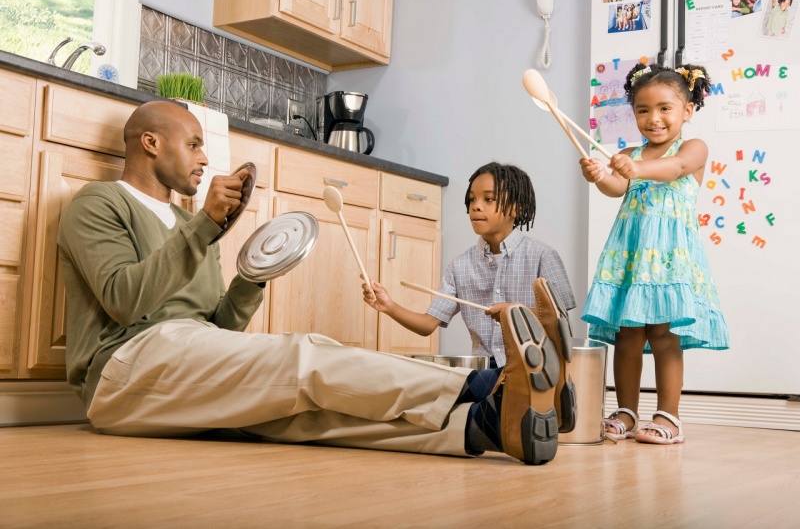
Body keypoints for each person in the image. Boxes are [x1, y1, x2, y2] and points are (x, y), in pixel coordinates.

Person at [56, 100, 572, 466]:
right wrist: (205, 228)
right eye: (193, 144)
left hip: (182, 360)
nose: (205, 158)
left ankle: (483, 427)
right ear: (151, 142)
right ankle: (486, 386)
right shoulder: (99, 203)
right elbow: (124, 303)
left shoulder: (193, 227)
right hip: (122, 373)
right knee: (301, 358)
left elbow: (217, 326)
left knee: (308, 416)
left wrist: (253, 277)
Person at [362, 162, 577, 431]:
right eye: (472, 199)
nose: (476, 206)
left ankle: (496, 413)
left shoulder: (543, 257)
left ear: (517, 209)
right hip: (484, 371)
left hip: (531, 368)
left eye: (488, 199)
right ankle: (503, 418)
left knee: (450, 394)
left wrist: (515, 314)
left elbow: (560, 325)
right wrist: (389, 306)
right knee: (435, 379)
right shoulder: (460, 265)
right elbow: (428, 325)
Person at [579, 63, 729, 445]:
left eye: (665, 108)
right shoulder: (632, 153)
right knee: (627, 335)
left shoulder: (693, 148)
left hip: (668, 258)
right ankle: (626, 410)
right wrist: (599, 175)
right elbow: (617, 186)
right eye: (643, 110)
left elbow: (674, 168)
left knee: (664, 336)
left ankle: (670, 416)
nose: (654, 118)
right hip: (631, 257)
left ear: (688, 110)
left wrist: (637, 167)